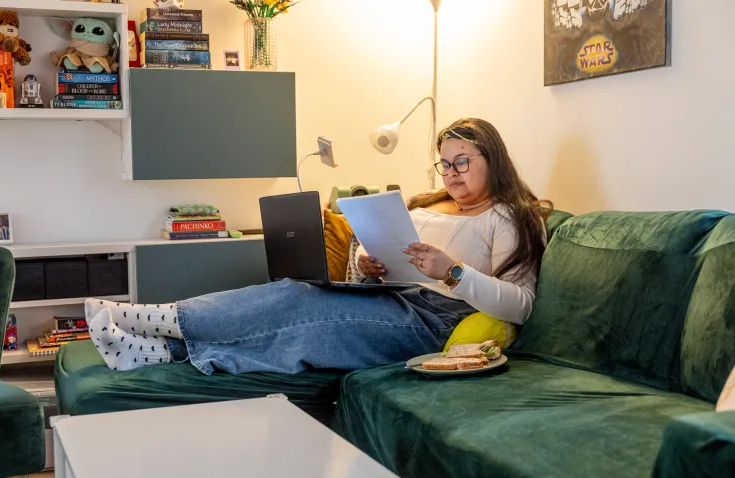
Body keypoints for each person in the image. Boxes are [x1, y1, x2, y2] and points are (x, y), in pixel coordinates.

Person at [86, 118, 552, 374]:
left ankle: (154, 318)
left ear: (493, 159)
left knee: (303, 317)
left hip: (438, 320)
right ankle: (154, 352)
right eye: (444, 164)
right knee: (298, 300)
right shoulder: (426, 204)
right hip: (393, 296)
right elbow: (396, 260)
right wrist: (368, 265)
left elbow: (521, 305)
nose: (450, 173)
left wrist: (453, 272)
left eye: (462, 162)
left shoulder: (512, 216)